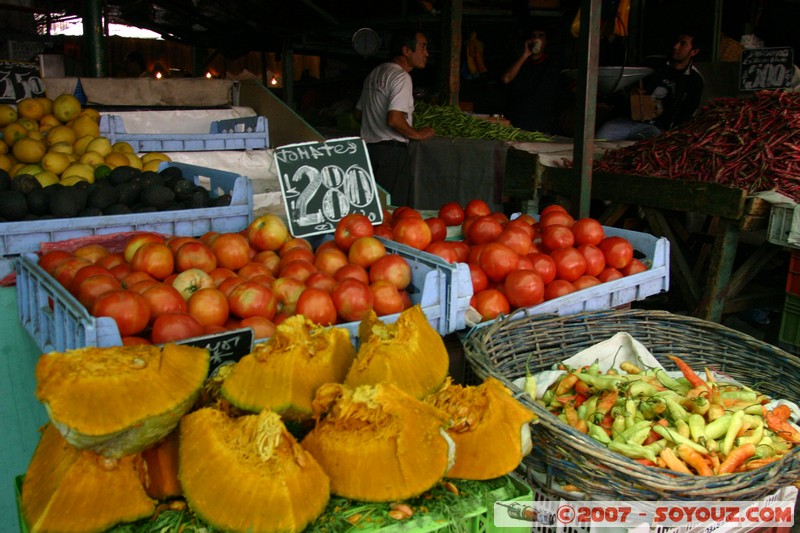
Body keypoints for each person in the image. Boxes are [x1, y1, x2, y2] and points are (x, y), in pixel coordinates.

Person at [354, 29, 436, 206]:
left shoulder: (374, 74)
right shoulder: (401, 77)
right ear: (406, 51)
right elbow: (394, 119)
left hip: (368, 152)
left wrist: (374, 125)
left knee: (373, 208)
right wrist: (417, 134)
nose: (427, 53)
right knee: (391, 211)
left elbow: (358, 114)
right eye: (422, 47)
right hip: (391, 153)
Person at [596, 30, 705, 141]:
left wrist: (670, 131)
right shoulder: (652, 63)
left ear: (694, 52)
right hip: (626, 120)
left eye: (683, 44)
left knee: (656, 147)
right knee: (599, 141)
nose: (675, 46)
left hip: (655, 127)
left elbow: (687, 113)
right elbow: (624, 87)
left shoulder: (694, 80)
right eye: (676, 41)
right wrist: (632, 92)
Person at [501, 26, 562, 135]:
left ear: (545, 41)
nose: (536, 39)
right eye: (534, 37)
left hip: (541, 124)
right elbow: (506, 79)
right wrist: (525, 54)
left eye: (540, 37)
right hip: (518, 122)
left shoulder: (552, 63)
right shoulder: (521, 62)